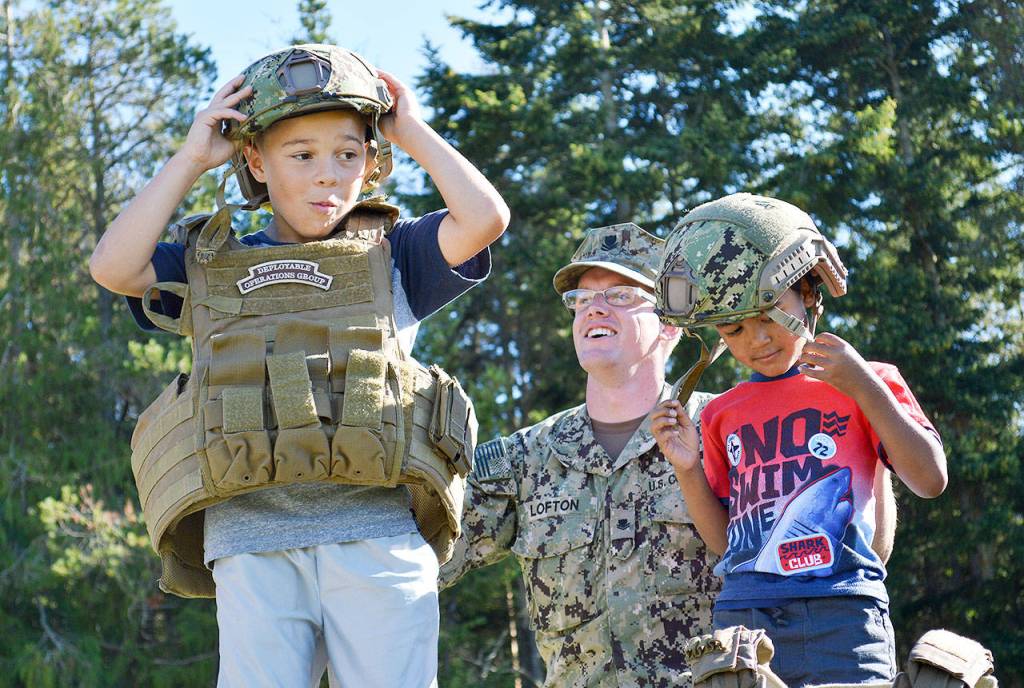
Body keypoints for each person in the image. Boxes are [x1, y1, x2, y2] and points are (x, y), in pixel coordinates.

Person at [89, 44, 509, 687]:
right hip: (251, 539)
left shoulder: (394, 255)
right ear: (255, 159)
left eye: (348, 153)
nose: (326, 175)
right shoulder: (211, 265)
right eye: (301, 154)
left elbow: (484, 219)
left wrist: (406, 129)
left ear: (371, 163)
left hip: (377, 536)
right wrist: (193, 158)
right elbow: (113, 267)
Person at [651, 193, 947, 687]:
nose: (756, 340)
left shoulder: (867, 380)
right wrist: (686, 466)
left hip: (846, 611)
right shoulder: (722, 412)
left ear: (808, 293)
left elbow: (930, 478)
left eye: (769, 315)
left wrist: (862, 386)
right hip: (746, 618)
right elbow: (729, 544)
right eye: (735, 328)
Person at [439, 223, 721, 687]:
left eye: (620, 296)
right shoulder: (524, 459)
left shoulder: (721, 431)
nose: (595, 310)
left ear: (670, 323)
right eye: (582, 301)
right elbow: (419, 560)